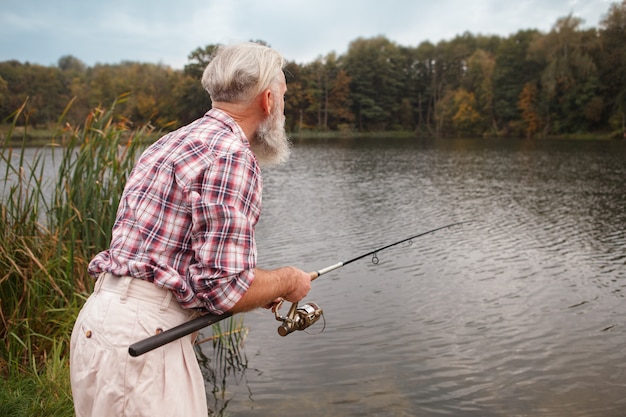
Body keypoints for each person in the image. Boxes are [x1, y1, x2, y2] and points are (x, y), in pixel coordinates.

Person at [69, 42, 312, 417]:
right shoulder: (232, 154)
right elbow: (225, 289)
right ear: (267, 100)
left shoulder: (170, 143)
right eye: (282, 93)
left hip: (97, 325)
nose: (283, 102)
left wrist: (256, 289)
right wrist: (287, 280)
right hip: (144, 342)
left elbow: (177, 263)